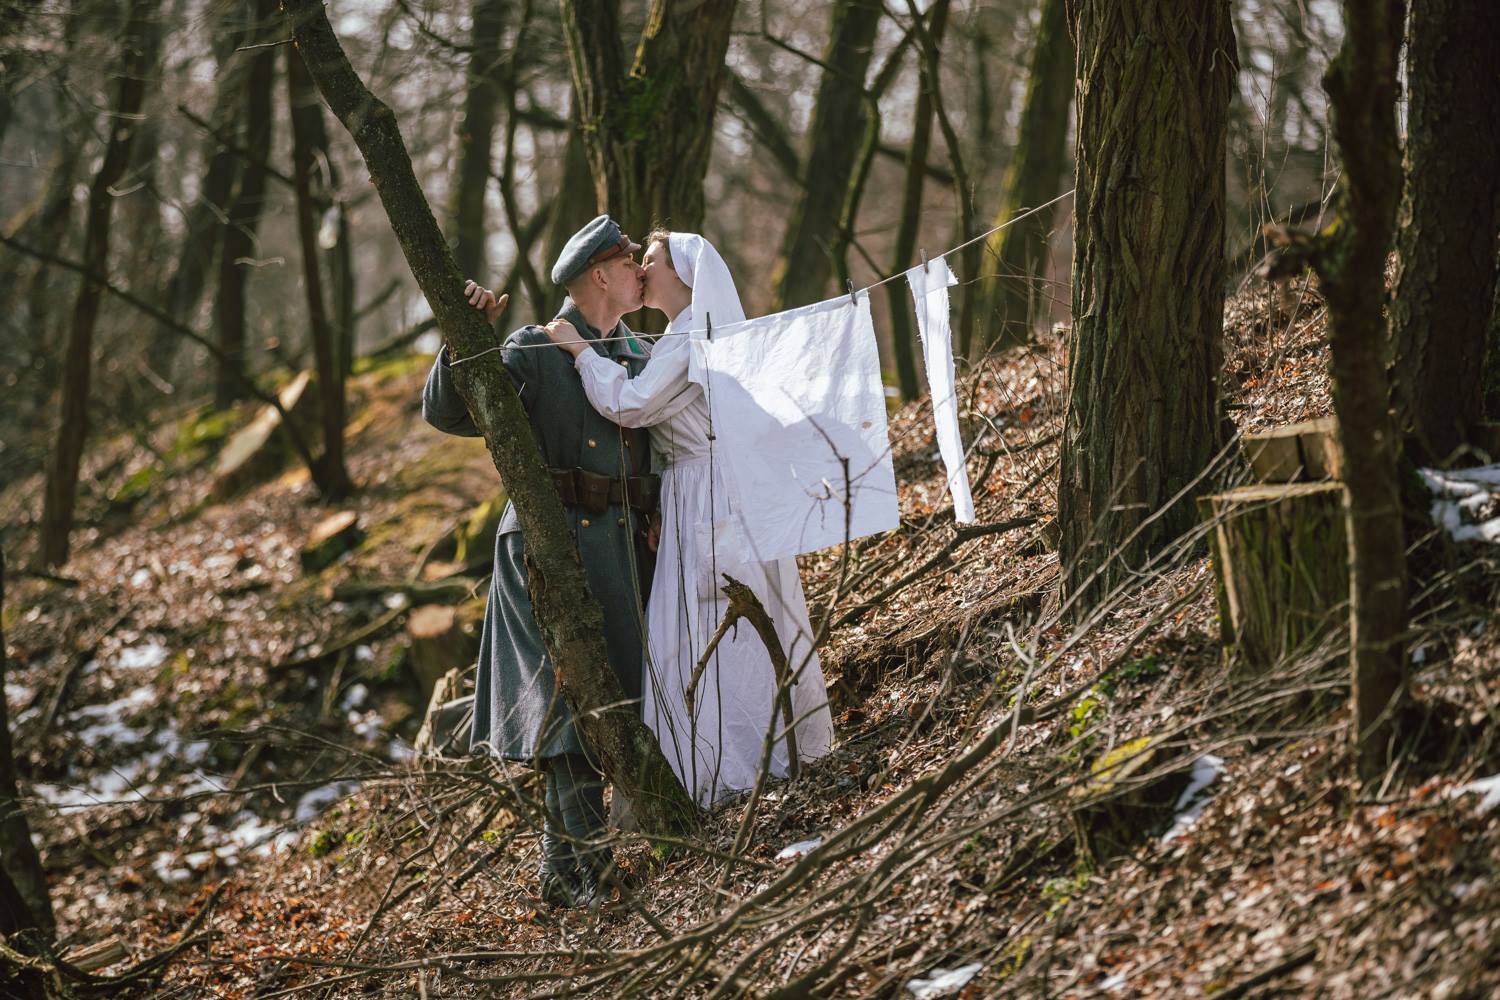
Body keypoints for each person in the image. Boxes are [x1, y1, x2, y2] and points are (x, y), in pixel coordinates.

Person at [541, 230, 834, 806]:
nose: (642, 269)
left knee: (707, 629)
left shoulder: (692, 334)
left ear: (685, 275)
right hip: (688, 490)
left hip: (708, 491)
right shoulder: (676, 337)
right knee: (696, 626)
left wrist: (579, 351)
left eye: (650, 261)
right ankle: (725, 757)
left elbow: (630, 405)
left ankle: (729, 768)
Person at [422, 215, 658, 907]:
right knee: (569, 703)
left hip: (622, 548)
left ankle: (564, 869)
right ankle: (581, 869)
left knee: (609, 699)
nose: (641, 265)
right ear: (601, 274)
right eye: (630, 257)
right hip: (548, 552)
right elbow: (449, 412)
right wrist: (465, 338)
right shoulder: (531, 349)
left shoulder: (639, 352)